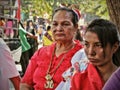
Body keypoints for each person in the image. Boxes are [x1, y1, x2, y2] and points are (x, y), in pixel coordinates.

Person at [20, 7, 83, 90]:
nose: (59, 28)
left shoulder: (82, 55)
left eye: (65, 24)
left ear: (75, 27)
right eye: (55, 24)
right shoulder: (41, 52)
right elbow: (25, 84)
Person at [71, 19, 120, 90]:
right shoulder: (79, 79)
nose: (90, 52)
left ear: (115, 47)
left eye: (98, 45)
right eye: (86, 44)